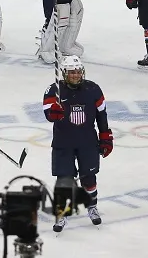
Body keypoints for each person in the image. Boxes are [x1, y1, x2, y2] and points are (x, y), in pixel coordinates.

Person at [43, 56, 112, 232]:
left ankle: (92, 206)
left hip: (87, 141)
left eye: (78, 71)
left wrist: (105, 136)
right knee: (64, 178)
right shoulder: (54, 90)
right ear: (65, 73)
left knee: (89, 177)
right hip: (63, 142)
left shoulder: (93, 89)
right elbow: (48, 114)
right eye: (72, 72)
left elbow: (102, 115)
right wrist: (54, 113)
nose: (76, 75)